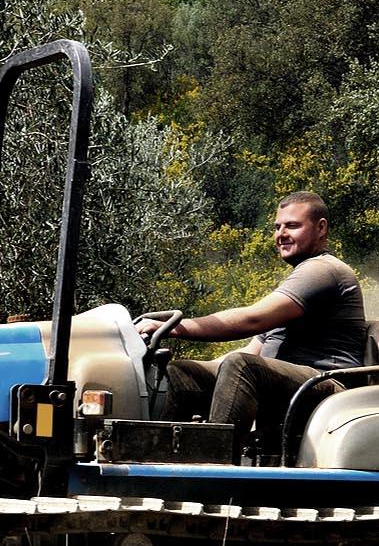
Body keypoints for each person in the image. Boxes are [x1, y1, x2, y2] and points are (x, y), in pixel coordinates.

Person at [138, 190, 366, 460]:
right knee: (183, 372)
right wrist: (201, 368)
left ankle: (212, 470)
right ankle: (158, 463)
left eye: (292, 225)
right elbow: (254, 348)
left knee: (241, 367)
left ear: (321, 228)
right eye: (277, 227)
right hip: (294, 384)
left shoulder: (323, 271)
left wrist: (174, 328)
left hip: (327, 386)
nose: (281, 234)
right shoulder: (299, 279)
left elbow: (251, 320)